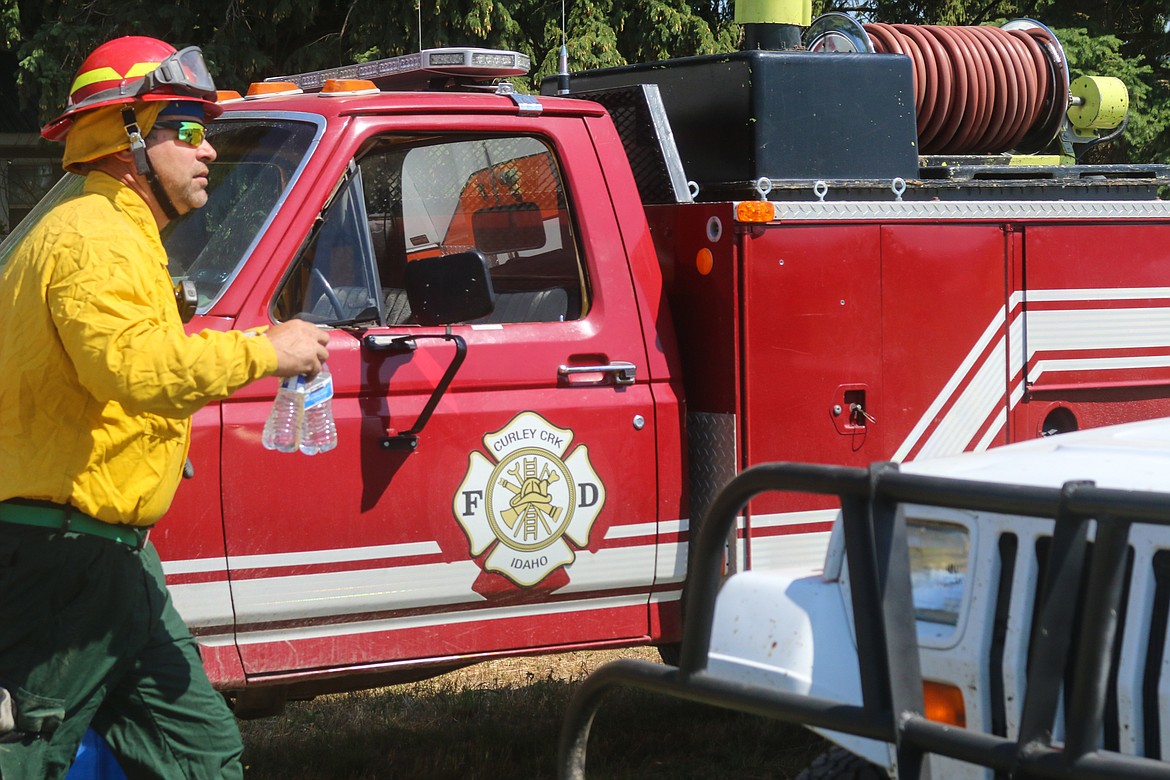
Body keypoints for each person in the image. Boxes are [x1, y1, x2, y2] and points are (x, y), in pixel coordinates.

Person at [0, 36, 329, 778]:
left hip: (115, 558)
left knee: (199, 754)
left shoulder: (123, 235)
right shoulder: (94, 238)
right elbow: (135, 370)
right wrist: (265, 350)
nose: (206, 149)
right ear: (124, 141)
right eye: (184, 130)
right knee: (26, 757)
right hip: (62, 558)